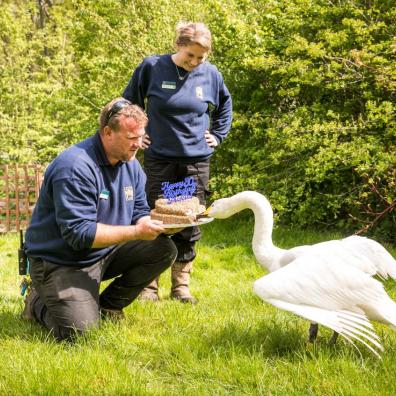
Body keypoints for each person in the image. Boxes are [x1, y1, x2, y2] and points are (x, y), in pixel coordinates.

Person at [22, 98, 178, 342]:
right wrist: (137, 233)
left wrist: (161, 223)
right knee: (80, 334)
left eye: (141, 136)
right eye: (131, 137)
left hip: (103, 252)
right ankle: (36, 302)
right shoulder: (74, 167)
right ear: (107, 132)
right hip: (61, 261)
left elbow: (138, 210)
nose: (138, 144)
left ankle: (108, 306)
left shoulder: (131, 164)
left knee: (163, 249)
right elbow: (79, 235)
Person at [122, 21, 233, 304]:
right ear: (177, 46)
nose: (194, 62)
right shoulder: (151, 67)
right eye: (189, 56)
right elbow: (128, 104)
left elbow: (225, 105)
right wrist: (138, 134)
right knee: (156, 219)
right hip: (160, 160)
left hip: (195, 163)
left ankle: (181, 286)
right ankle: (149, 287)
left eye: (200, 58)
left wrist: (218, 135)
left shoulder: (211, 75)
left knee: (189, 221)